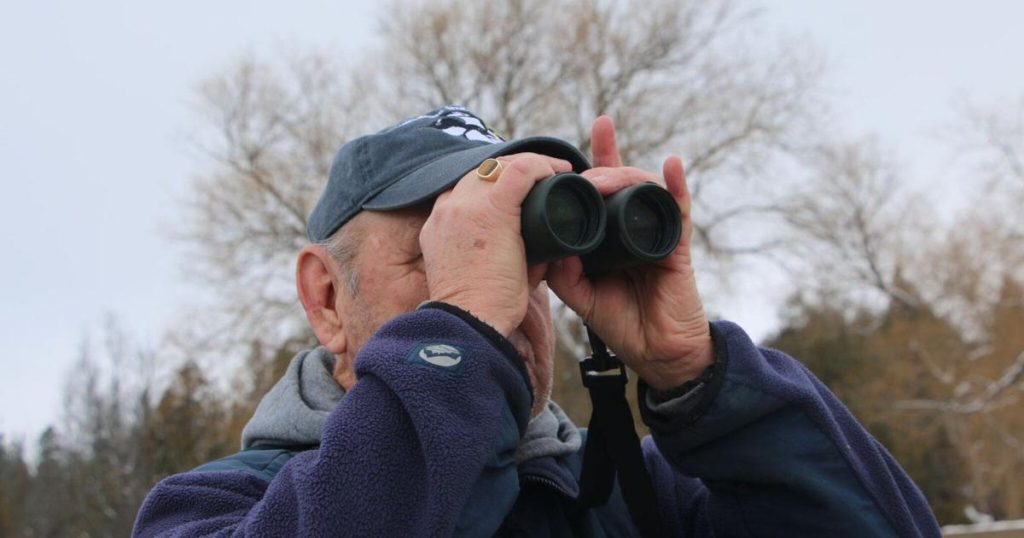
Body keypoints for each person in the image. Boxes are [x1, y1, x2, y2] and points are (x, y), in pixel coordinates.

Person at [132, 106, 941, 537]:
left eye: (519, 250)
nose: (506, 292)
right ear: (326, 300)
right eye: (445, 250)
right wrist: (456, 343)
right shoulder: (209, 513)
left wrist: (702, 381)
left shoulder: (642, 498)